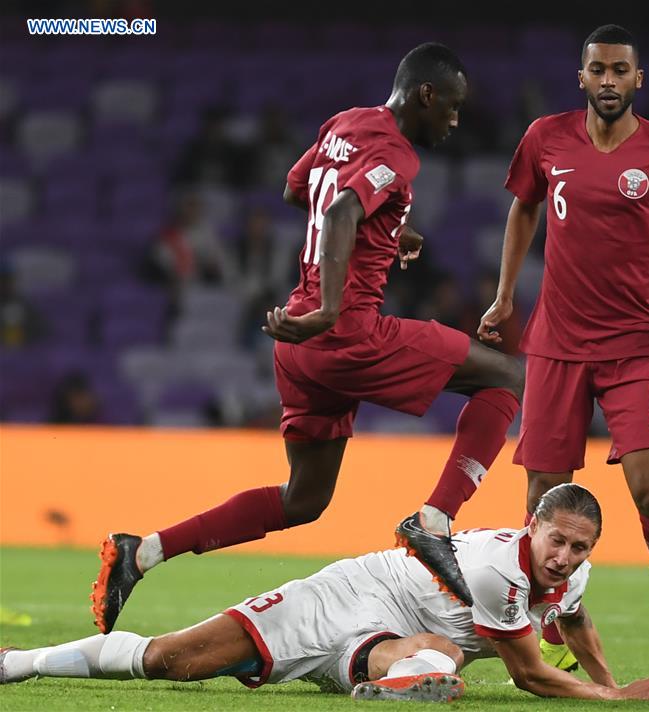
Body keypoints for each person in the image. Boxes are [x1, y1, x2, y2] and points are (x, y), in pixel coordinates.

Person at [91, 43, 524, 635]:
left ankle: (140, 554)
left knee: (305, 500)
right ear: (426, 94)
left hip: (298, 347)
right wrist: (329, 307)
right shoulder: (397, 154)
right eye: (452, 107)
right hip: (347, 333)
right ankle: (435, 519)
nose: (455, 120)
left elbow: (301, 191)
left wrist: (391, 228)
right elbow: (344, 209)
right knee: (506, 376)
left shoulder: (343, 124)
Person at [477, 25, 649, 679]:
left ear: (639, 80)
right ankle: (551, 611)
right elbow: (522, 210)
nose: (608, 81)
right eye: (597, 70)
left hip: (636, 342)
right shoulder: (544, 139)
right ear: (580, 76)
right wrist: (504, 296)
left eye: (619, 71)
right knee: (542, 499)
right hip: (556, 342)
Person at [4, 484, 649, 702]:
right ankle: (19, 662)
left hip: (393, 633)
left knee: (439, 655)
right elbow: (530, 674)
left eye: (578, 548)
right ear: (533, 527)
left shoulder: (570, 574)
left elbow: (575, 622)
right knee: (171, 660)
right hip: (349, 595)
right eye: (556, 540)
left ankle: (391, 684)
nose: (564, 558)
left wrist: (610, 677)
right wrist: (614, 698)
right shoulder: (503, 568)